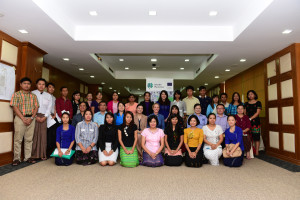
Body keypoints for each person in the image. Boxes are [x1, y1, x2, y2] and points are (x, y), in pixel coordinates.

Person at [10, 77, 39, 166]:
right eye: (25, 83)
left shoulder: (33, 96)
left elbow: (36, 107)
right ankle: (16, 159)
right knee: (18, 139)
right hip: (20, 119)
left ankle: (28, 157)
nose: (27, 85)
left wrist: (31, 118)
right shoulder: (16, 94)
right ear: (21, 84)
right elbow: (14, 107)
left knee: (29, 139)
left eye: (28, 84)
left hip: (31, 119)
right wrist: (23, 118)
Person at [31, 78, 52, 161]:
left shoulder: (48, 95)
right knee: (34, 135)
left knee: (43, 136)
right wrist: (35, 116)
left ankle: (42, 154)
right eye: (39, 84)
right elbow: (30, 107)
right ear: (36, 85)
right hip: (34, 116)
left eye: (43, 84)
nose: (41, 86)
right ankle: (33, 155)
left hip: (44, 117)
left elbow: (49, 108)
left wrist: (45, 117)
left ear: (45, 86)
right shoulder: (32, 93)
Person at [244, 90, 262, 156]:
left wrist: (250, 118)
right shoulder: (246, 103)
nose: (250, 95)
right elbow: (245, 112)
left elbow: (258, 113)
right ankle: (250, 151)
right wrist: (247, 119)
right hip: (247, 122)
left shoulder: (258, 102)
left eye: (251, 94)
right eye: (249, 94)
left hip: (256, 122)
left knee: (256, 137)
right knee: (248, 137)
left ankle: (257, 151)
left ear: (254, 95)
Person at [46, 82, 60, 158]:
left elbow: (55, 107)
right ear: (47, 88)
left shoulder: (54, 97)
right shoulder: (44, 95)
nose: (51, 89)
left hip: (53, 117)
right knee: (47, 135)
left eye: (53, 88)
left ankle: (51, 150)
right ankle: (46, 151)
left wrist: (54, 115)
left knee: (53, 134)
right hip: (46, 116)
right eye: (50, 87)